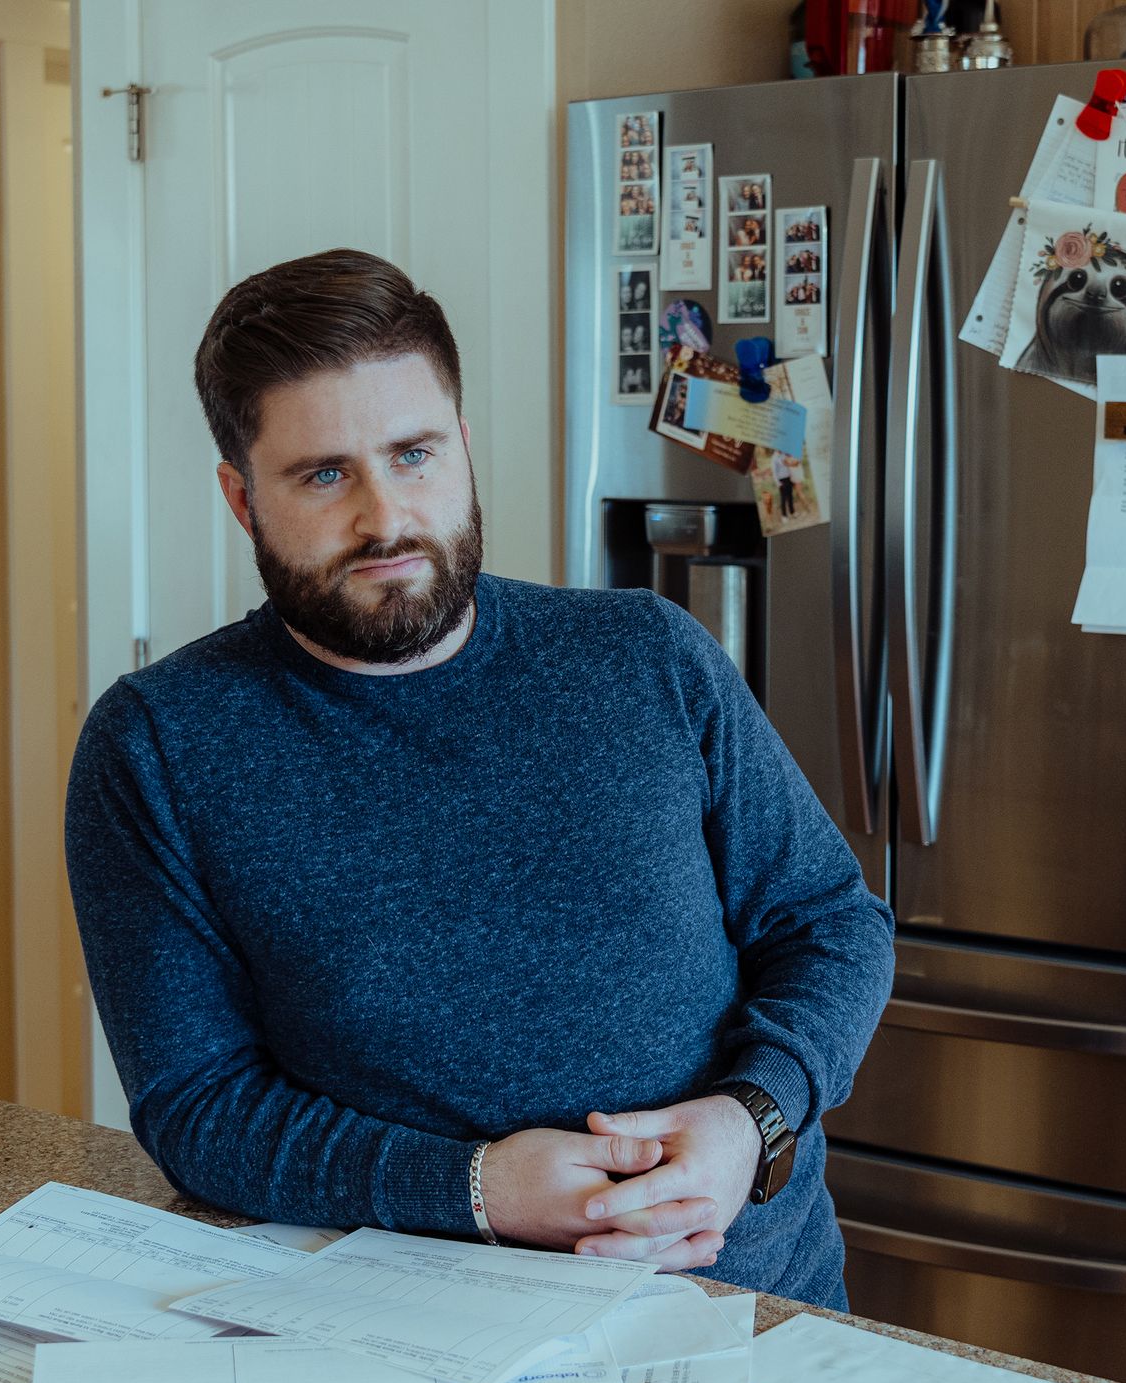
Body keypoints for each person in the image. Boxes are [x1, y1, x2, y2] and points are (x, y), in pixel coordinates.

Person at [64, 249, 894, 1305]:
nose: (384, 517)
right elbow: (198, 1104)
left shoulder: (644, 655)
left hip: (749, 1309)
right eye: (323, 474)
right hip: (404, 1329)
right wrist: (473, 1188)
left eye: (412, 453)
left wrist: (752, 1120)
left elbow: (829, 920)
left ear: (460, 442)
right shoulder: (157, 746)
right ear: (241, 499)